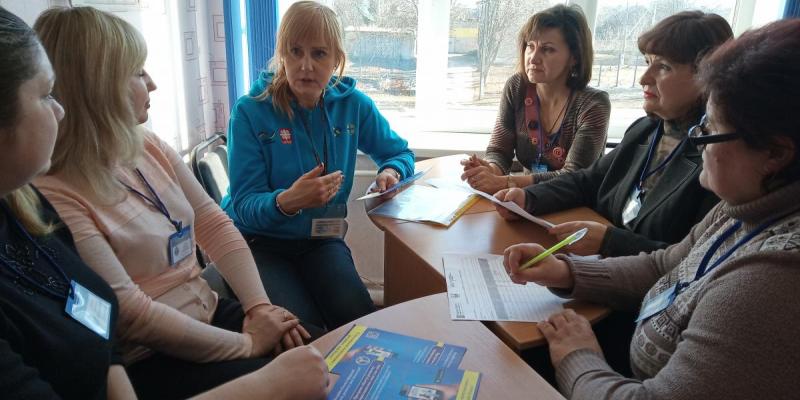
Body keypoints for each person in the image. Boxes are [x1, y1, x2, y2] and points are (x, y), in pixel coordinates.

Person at [0, 6, 328, 400]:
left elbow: (214, 223)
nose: (152, 84)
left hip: (207, 310)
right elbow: (129, 316)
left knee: (324, 349)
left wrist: (259, 308)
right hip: (155, 355)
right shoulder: (49, 195)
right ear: (100, 88)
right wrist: (249, 345)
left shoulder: (148, 146)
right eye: (138, 73)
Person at [503, 18, 800, 399]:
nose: (698, 139)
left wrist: (576, 355)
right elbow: (665, 264)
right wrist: (565, 271)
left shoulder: (771, 283)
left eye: (711, 129)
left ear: (775, 154)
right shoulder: (738, 210)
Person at [222, 1, 414, 330]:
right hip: (258, 242)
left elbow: (400, 153)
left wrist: (390, 171)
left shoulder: (353, 105)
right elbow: (243, 206)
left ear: (337, 59)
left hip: (320, 239)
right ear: (282, 55)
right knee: (302, 331)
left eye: (319, 53)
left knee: (358, 320)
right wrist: (287, 201)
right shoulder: (250, 112)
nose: (306, 65)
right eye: (295, 52)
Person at [495, 11, 730, 257]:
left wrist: (610, 242)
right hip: (599, 266)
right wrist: (528, 198)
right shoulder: (645, 130)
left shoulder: (718, 159)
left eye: (663, 67)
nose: (643, 78)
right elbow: (587, 181)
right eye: (647, 63)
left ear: (706, 77)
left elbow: (696, 259)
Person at [461, 4, 610, 194]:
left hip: (577, 203)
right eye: (530, 46)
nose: (533, 58)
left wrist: (505, 182)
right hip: (525, 199)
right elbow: (499, 151)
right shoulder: (517, 87)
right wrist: (490, 170)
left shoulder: (594, 104)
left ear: (574, 57)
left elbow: (574, 176)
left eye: (547, 49)